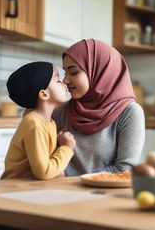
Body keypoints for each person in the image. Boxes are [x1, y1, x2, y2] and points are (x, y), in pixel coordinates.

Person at [52, 39, 145, 176]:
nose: (65, 80)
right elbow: (47, 165)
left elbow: (125, 170)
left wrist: (71, 178)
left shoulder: (130, 113)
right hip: (61, 194)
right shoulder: (59, 112)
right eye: (65, 73)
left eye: (74, 72)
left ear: (100, 72)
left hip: (105, 195)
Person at [1, 61, 76, 180]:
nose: (64, 83)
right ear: (44, 94)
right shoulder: (34, 124)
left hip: (31, 188)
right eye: (57, 80)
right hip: (15, 190)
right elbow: (44, 172)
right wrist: (67, 147)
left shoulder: (49, 122)